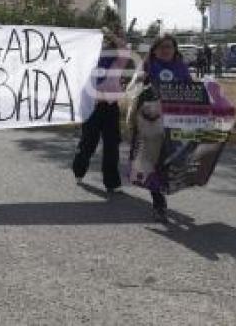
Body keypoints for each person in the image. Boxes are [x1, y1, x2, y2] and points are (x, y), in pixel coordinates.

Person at [73, 28, 132, 193]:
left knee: (111, 146)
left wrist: (112, 34)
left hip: (109, 106)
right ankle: (79, 171)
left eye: (120, 37)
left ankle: (111, 182)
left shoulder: (120, 58)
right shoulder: (91, 58)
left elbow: (124, 47)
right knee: (88, 143)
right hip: (92, 106)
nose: (113, 41)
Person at [141, 33, 192, 222]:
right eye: (161, 47)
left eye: (169, 47)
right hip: (151, 123)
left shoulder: (181, 68)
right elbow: (135, 89)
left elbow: (192, 91)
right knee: (155, 162)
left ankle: (163, 189)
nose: (165, 50)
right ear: (154, 50)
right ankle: (158, 204)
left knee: (173, 161)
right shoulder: (149, 67)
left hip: (176, 122)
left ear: (174, 49)